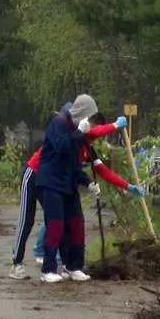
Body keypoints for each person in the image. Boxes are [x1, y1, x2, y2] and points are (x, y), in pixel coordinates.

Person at [9, 103, 124, 279]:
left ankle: (64, 263)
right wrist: (116, 125)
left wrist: (125, 186)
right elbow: (73, 141)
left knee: (58, 222)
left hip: (54, 181)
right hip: (34, 174)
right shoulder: (62, 127)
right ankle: (17, 263)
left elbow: (99, 167)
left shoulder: (81, 140)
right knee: (27, 220)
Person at [29, 112, 146, 267]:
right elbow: (93, 131)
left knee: (60, 217)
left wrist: (128, 186)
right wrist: (115, 126)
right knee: (54, 217)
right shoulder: (75, 135)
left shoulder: (87, 147)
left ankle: (60, 258)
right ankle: (42, 252)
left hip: (60, 180)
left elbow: (104, 172)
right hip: (39, 173)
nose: (95, 137)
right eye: (94, 131)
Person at [36, 94, 98, 283]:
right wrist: (78, 133)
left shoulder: (75, 131)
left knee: (76, 224)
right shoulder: (59, 123)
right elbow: (62, 146)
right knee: (56, 225)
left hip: (67, 184)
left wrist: (87, 182)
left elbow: (74, 164)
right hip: (51, 182)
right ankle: (48, 269)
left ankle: (74, 266)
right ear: (82, 112)